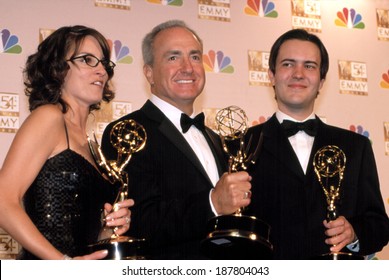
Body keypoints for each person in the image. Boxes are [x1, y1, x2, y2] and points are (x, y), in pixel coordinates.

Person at [101, 20, 252, 259]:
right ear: (148, 72)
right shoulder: (127, 132)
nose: (187, 68)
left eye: (194, 57)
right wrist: (212, 203)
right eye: (173, 58)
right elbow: (138, 221)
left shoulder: (216, 139)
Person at [245, 29, 389, 259]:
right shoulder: (243, 145)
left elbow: (379, 226)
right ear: (271, 75)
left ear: (322, 81)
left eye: (310, 66)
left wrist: (353, 233)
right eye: (288, 64)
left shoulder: (356, 146)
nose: (298, 74)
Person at [0, 25, 134, 260]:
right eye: (87, 59)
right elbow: (3, 199)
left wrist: (109, 227)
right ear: (58, 69)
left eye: (104, 62)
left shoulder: (92, 144)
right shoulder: (49, 117)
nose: (101, 70)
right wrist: (61, 264)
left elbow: (82, 235)